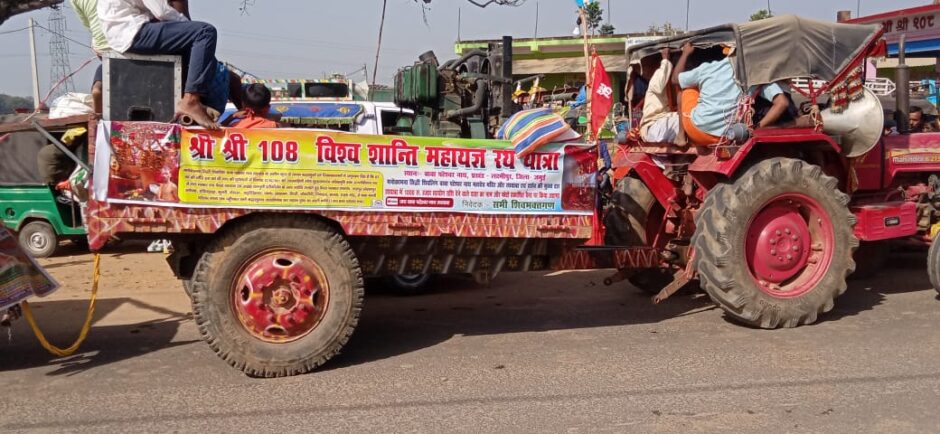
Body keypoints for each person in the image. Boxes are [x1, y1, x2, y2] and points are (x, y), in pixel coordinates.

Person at [98, 0, 220, 129]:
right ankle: (191, 100)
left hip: (123, 32)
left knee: (191, 45)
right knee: (205, 32)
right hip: (132, 31)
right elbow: (162, 11)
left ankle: (195, 103)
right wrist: (189, 27)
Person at [672, 42, 790, 146]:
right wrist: (757, 127)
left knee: (686, 90)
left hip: (697, 130)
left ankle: (681, 136)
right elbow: (782, 103)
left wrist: (685, 54)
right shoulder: (757, 76)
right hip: (726, 135)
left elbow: (675, 79)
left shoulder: (708, 68)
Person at [68, 0, 111, 114]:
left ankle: (98, 116)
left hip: (102, 46)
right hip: (128, 40)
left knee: (108, 66)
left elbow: (89, 25)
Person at [638, 48, 679, 143]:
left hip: (662, 126)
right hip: (653, 127)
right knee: (685, 121)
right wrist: (665, 61)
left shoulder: (671, 88)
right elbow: (658, 84)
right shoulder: (655, 82)